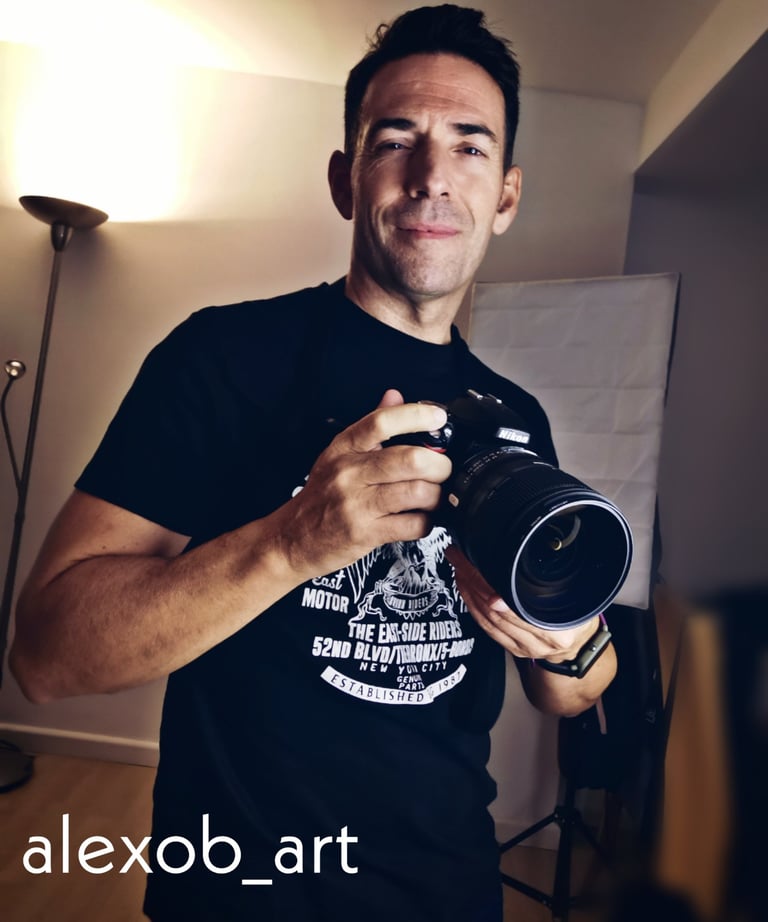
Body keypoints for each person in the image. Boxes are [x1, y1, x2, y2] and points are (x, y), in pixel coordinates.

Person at [11, 6, 617, 921]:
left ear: (506, 195)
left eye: (470, 146)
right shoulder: (220, 359)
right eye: (395, 140)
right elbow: (46, 657)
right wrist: (291, 542)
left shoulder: (516, 420)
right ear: (346, 179)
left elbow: (568, 692)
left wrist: (567, 644)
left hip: (448, 890)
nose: (432, 177)